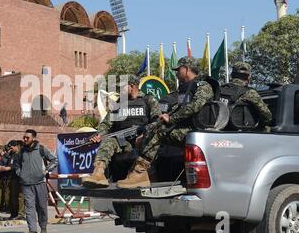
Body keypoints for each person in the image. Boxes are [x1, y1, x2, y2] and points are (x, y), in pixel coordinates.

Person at [122, 57, 214, 189]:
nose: (176, 73)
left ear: (186, 69)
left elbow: (194, 106)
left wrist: (171, 119)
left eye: (179, 70)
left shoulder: (203, 86)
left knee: (159, 132)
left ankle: (140, 172)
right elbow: (178, 108)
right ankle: (145, 174)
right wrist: (149, 128)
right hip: (183, 128)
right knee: (151, 130)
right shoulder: (185, 88)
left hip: (195, 130)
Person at [81, 74, 161, 189]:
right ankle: (98, 173)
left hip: (143, 142)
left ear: (132, 86)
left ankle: (138, 175)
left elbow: (157, 120)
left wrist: (144, 134)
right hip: (123, 142)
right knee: (108, 141)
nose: (120, 90)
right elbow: (106, 123)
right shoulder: (118, 104)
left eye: (123, 86)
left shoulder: (148, 100)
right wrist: (99, 134)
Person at [17, 130, 57, 233]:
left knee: (41, 206)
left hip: (40, 183)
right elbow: (17, 164)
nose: (25, 139)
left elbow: (54, 160)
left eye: (27, 138)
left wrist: (45, 171)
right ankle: (32, 230)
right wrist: (20, 174)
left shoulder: (41, 149)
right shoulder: (22, 151)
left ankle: (43, 227)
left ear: (33, 138)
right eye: (24, 137)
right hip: (26, 184)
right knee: (29, 207)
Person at [221, 62, 272, 129]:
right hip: (240, 134)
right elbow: (267, 116)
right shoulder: (250, 92)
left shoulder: (219, 89)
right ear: (248, 77)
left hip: (217, 132)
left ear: (232, 75)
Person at [0, 140, 25, 220]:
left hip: (18, 178)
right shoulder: (11, 154)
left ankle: (20, 214)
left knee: (20, 197)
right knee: (11, 197)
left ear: (16, 146)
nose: (10, 149)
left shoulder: (21, 154)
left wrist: (9, 168)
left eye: (12, 147)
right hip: (11, 178)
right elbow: (7, 161)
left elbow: (19, 165)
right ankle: (13, 213)